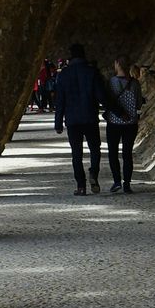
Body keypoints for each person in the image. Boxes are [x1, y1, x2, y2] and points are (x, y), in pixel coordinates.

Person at [53, 43, 106, 195]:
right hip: (90, 117)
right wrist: (114, 110)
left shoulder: (63, 75)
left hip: (72, 120)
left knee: (76, 153)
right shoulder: (92, 72)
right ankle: (94, 173)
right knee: (95, 148)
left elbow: (60, 101)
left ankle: (81, 186)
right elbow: (101, 96)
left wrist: (58, 123)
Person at [102, 57, 146, 194]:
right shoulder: (135, 83)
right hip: (130, 123)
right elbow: (139, 103)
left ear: (117, 65)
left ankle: (116, 181)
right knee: (127, 154)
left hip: (114, 122)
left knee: (113, 153)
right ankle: (127, 183)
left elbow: (107, 101)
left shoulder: (110, 83)